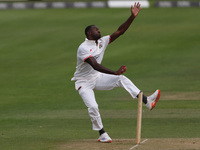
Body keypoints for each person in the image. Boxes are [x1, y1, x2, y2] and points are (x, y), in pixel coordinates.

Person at [71, 2, 160, 143]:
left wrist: (132, 17)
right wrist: (114, 72)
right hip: (84, 82)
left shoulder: (101, 42)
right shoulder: (83, 48)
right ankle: (102, 134)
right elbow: (95, 65)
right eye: (96, 30)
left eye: (99, 29)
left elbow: (120, 31)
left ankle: (147, 101)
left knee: (122, 79)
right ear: (89, 33)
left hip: (97, 78)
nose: (99, 31)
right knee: (93, 106)